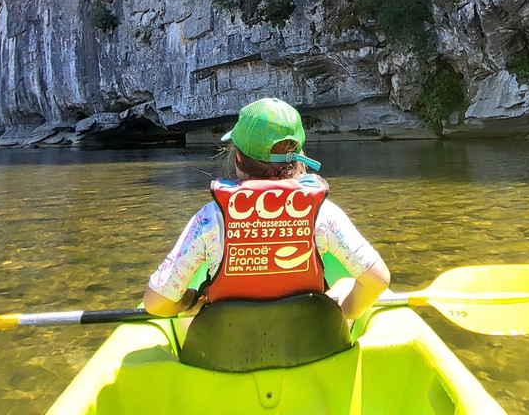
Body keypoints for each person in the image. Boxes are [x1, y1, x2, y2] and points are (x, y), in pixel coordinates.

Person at [143, 97, 390, 325]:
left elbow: (156, 303)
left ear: (238, 158)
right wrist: (345, 312)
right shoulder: (323, 214)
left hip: (230, 347)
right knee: (346, 282)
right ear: (297, 158)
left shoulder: (210, 217)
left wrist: (192, 301)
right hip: (305, 342)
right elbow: (377, 279)